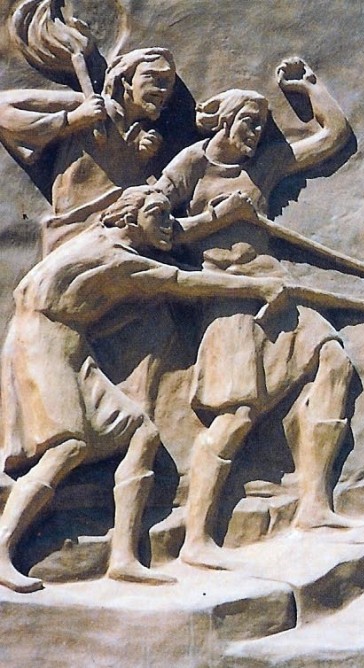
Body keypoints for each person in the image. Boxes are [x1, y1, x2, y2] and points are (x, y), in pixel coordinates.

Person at [0, 185, 284, 593]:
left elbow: (170, 239)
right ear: (131, 218)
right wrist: (258, 287)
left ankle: (123, 558)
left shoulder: (100, 234)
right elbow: (183, 281)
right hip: (42, 347)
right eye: (159, 215)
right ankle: (3, 547)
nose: (169, 224)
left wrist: (215, 219)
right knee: (68, 448)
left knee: (140, 432)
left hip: (68, 348)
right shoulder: (118, 261)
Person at [154, 58, 358, 568]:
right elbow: (151, 227)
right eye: (248, 124)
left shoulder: (260, 168)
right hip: (229, 301)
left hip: (275, 295)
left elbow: (332, 138)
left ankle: (314, 504)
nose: (255, 136)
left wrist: (310, 89)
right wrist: (215, 218)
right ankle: (197, 539)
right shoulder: (190, 166)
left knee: (333, 362)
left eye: (262, 128)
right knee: (236, 417)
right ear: (224, 121)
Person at [0, 48, 177, 253]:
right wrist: (73, 119)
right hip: (73, 234)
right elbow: (3, 109)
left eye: (168, 82)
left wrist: (141, 162)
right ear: (125, 81)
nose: (163, 89)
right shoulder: (90, 106)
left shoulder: (142, 136)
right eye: (153, 77)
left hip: (117, 235)